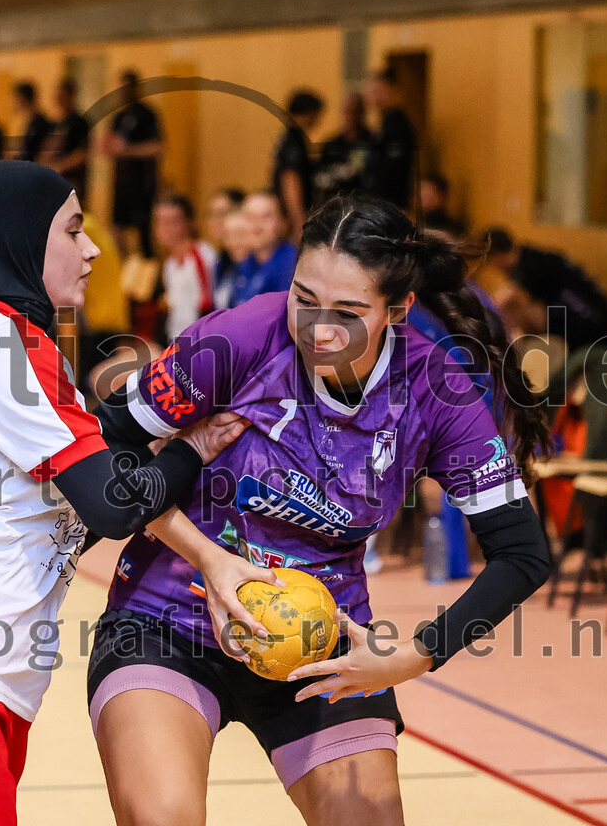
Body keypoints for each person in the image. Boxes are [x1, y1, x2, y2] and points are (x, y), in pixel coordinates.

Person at [86, 193, 552, 826]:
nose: (319, 330)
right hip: (169, 617)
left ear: (398, 310)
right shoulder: (239, 339)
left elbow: (522, 553)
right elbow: (100, 450)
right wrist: (211, 560)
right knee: (162, 816)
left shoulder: (436, 388)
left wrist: (414, 654)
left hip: (325, 644)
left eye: (349, 312)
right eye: (303, 299)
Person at [0, 160, 273, 826]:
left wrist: (185, 415)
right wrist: (194, 448)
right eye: (74, 229)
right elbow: (113, 502)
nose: (94, 247)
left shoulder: (32, 350)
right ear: (22, 238)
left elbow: (90, 496)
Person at [482, 227, 607, 353]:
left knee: (516, 313)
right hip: (590, 321)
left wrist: (476, 317)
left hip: (593, 327)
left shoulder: (531, 264)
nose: (493, 268)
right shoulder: (531, 257)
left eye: (489, 262)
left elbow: (501, 300)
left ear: (496, 255)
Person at [103, 69, 163, 257]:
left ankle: (149, 277)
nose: (123, 93)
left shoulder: (147, 114)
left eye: (127, 88)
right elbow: (109, 147)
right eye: (121, 89)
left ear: (136, 88)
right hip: (121, 183)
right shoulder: (118, 117)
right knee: (116, 228)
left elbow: (157, 147)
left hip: (142, 184)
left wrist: (128, 151)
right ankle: (125, 270)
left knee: (143, 234)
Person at [153, 193, 217, 342]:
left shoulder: (204, 255)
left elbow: (208, 305)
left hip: (197, 341)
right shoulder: (170, 263)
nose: (164, 229)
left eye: (172, 222)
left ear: (189, 223)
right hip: (174, 338)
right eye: (159, 222)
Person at [271, 90, 324, 241]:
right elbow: (290, 179)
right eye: (316, 114)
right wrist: (298, 221)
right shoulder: (293, 141)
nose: (318, 120)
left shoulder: (288, 137)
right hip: (289, 216)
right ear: (307, 113)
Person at [232, 191, 297, 306]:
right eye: (250, 217)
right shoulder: (246, 262)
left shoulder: (293, 264)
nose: (256, 225)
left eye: (266, 217)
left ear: (283, 223)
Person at [368, 68, 417, 211]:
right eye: (373, 91)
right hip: (378, 202)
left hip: (392, 204)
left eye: (379, 90)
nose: (375, 96)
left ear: (392, 90)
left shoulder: (399, 125)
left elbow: (394, 171)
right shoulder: (383, 123)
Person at [314, 92, 372, 206]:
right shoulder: (332, 144)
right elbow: (320, 178)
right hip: (336, 204)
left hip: (363, 205)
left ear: (362, 113)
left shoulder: (371, 142)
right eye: (347, 111)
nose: (351, 116)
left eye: (354, 111)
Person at [43, 76, 91, 200]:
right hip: (53, 181)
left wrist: (60, 166)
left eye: (62, 97)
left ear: (71, 96)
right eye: (57, 97)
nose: (58, 100)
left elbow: (82, 153)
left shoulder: (79, 123)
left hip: (72, 181)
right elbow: (48, 149)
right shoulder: (55, 123)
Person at [12, 81, 53, 163]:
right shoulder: (28, 123)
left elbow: (44, 152)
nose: (15, 103)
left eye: (16, 99)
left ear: (23, 99)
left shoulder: (41, 123)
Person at [419, 173, 465, 237]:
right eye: (422, 196)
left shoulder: (450, 228)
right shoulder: (420, 221)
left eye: (429, 197)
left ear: (442, 196)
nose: (424, 201)